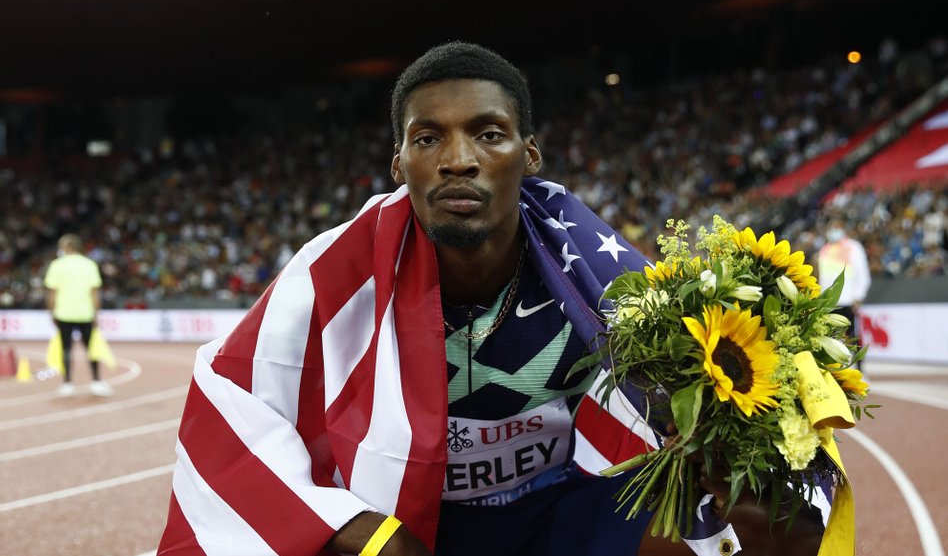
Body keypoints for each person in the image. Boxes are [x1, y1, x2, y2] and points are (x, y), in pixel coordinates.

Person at [157, 43, 826, 556]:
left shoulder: (597, 274)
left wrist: (744, 472)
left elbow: (712, 397)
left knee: (750, 524)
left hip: (562, 504)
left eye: (488, 133)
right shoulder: (341, 270)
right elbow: (226, 394)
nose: (459, 158)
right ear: (400, 164)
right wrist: (357, 529)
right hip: (417, 518)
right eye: (428, 138)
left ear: (527, 153)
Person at [44, 233, 112, 397]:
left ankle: (67, 383)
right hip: (85, 313)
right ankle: (96, 382)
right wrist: (96, 313)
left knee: (66, 349)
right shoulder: (89, 265)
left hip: (63, 313)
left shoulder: (56, 265)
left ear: (66, 247)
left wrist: (51, 312)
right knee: (92, 348)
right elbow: (95, 293)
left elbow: (52, 293)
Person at [817, 218, 872, 367]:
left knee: (853, 337)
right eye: (831, 228)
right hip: (831, 302)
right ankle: (834, 367)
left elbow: (862, 273)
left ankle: (860, 368)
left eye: (837, 227)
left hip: (848, 300)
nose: (834, 231)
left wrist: (858, 297)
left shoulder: (854, 247)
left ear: (843, 228)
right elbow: (823, 278)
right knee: (831, 338)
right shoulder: (825, 250)